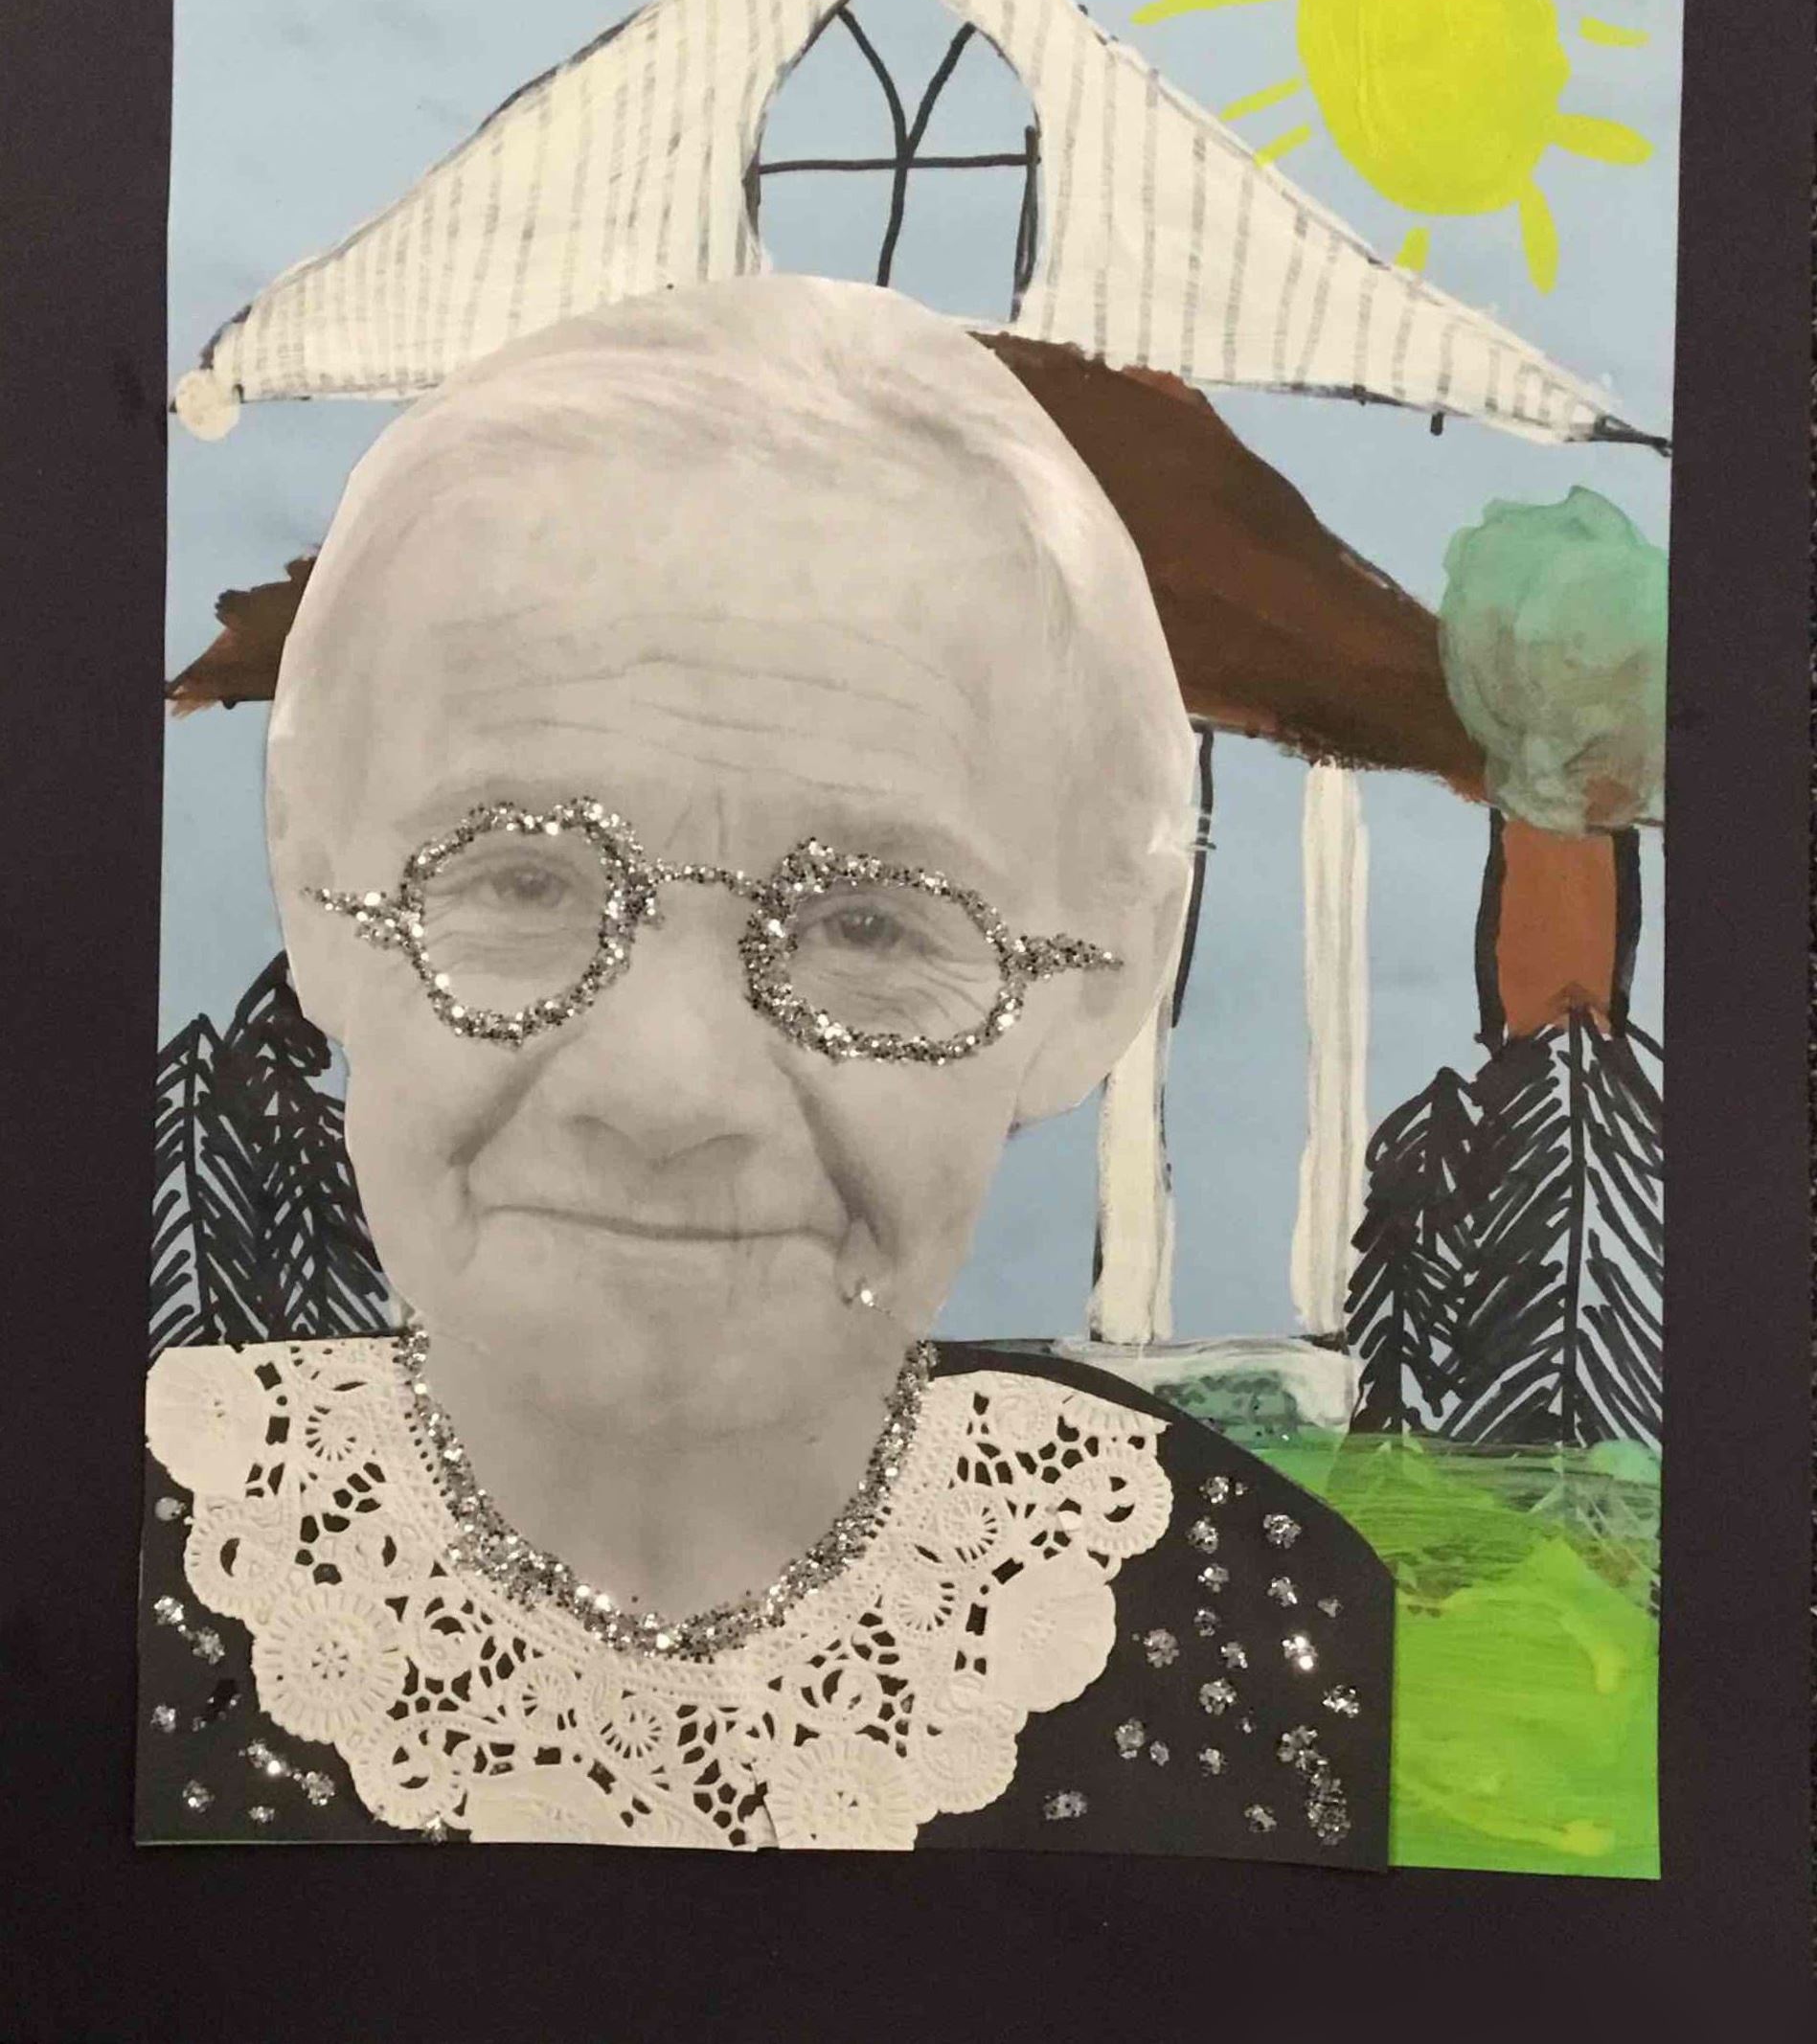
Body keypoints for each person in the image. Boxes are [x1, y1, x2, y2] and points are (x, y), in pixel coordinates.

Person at [140, 277, 1392, 1858]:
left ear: (1097, 983)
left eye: (869, 921)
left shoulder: (1260, 1627)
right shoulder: (87, 1563)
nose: (669, 1091)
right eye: (519, 876)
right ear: (315, 895)